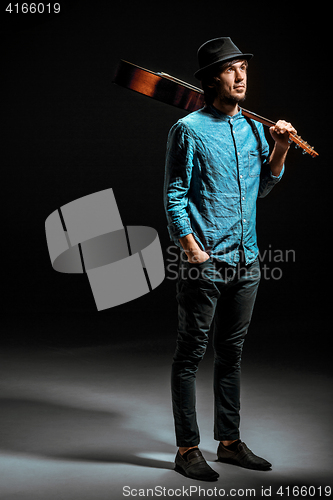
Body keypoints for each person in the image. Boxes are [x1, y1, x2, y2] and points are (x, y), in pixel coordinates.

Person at [163, 37, 296, 482]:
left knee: (231, 355)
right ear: (210, 79)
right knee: (189, 356)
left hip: (248, 260)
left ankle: (229, 442)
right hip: (206, 262)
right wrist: (194, 253)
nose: (240, 76)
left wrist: (280, 147)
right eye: (230, 69)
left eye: (243, 68)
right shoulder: (189, 130)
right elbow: (174, 199)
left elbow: (264, 188)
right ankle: (187, 449)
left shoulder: (255, 128)